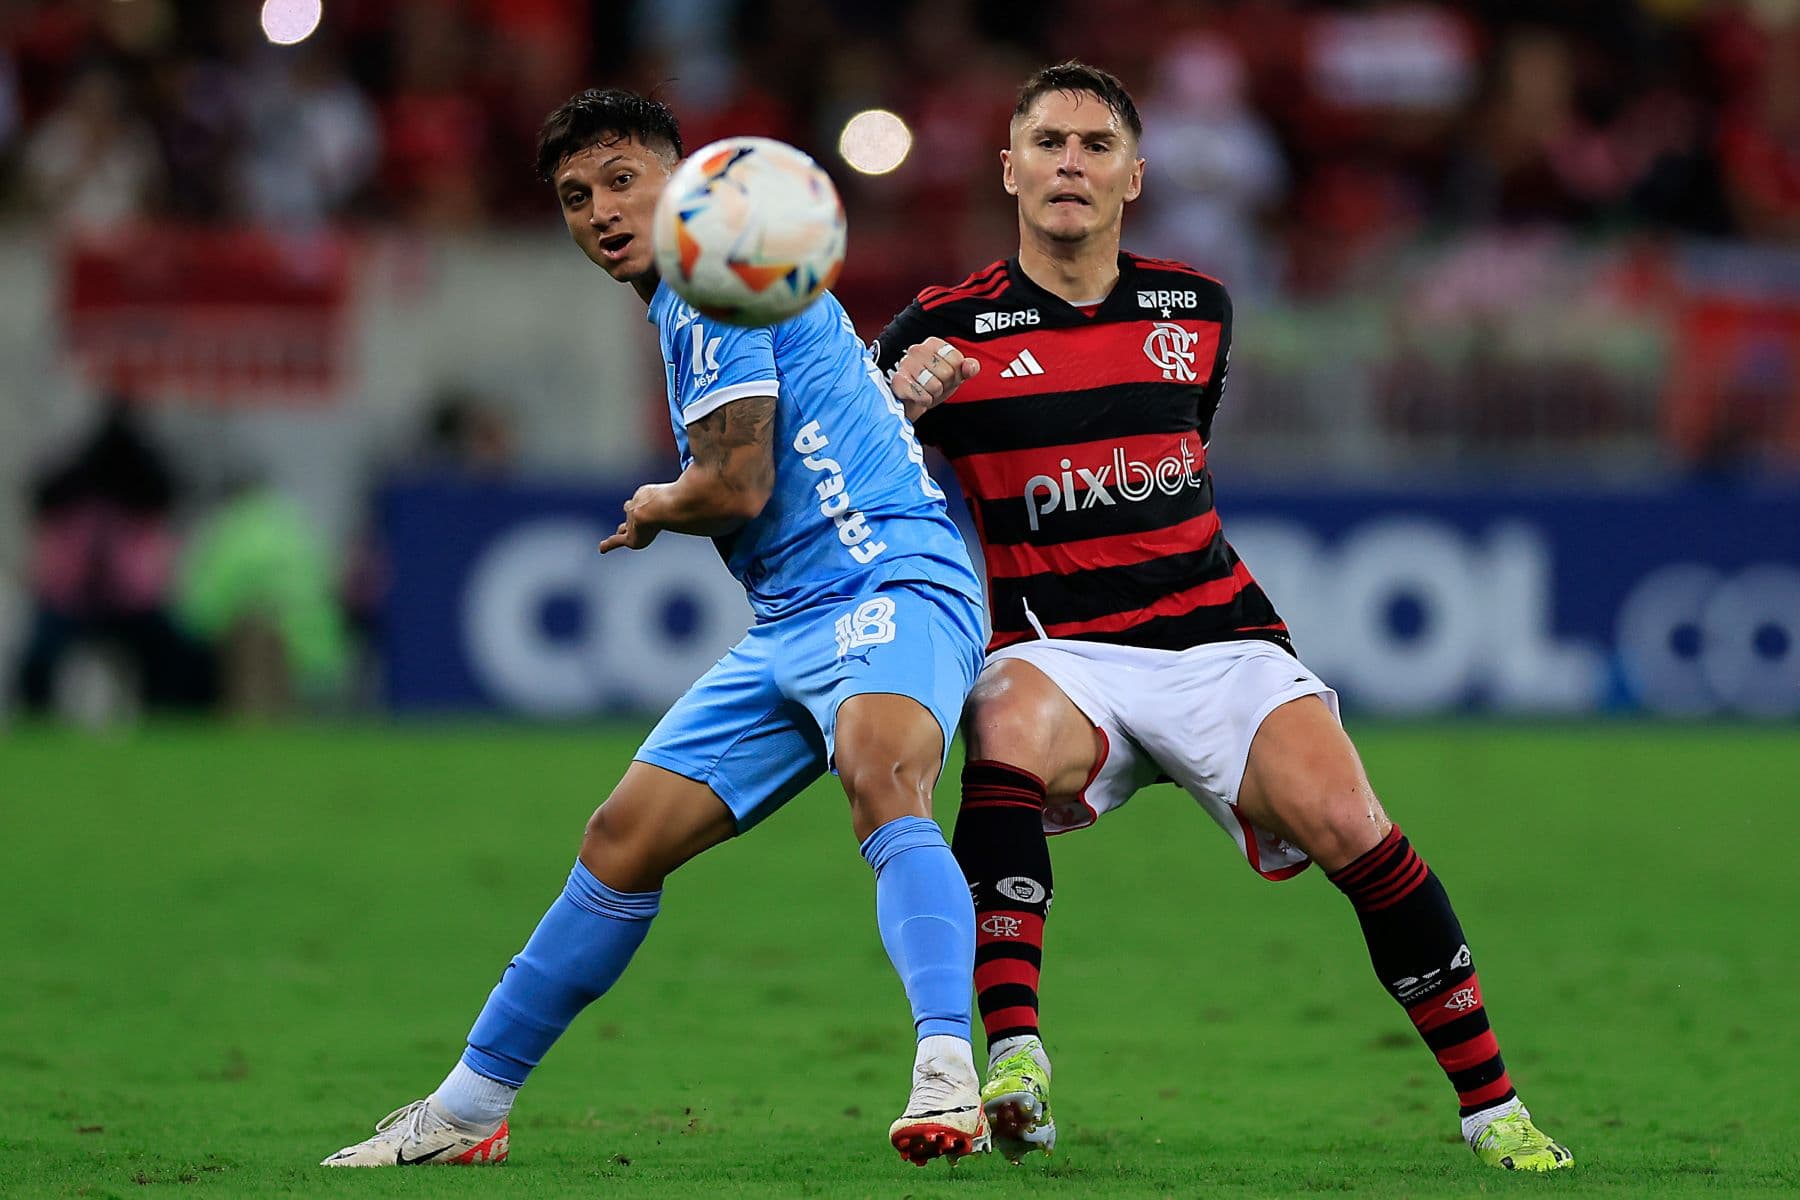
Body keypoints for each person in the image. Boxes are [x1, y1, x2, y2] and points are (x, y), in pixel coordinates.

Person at [874, 62, 1574, 1174]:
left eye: (1096, 146)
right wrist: (897, 407)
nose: (1070, 164)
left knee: (1356, 828)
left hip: (1219, 641)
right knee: (1000, 723)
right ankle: (1016, 1057)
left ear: (1135, 176)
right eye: (1048, 142)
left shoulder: (1194, 308)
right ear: (1007, 169)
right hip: (1063, 651)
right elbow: (849, 486)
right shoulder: (942, 329)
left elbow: (1180, 436)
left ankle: (1495, 1112)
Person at [323, 89, 991, 1169]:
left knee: (882, 776)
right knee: (620, 841)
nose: (600, 212)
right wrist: (893, 401)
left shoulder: (706, 285)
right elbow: (823, 422)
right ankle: (466, 1110)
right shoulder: (727, 280)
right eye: (576, 197)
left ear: (688, 182)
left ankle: (947, 1071)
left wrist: (654, 504)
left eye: (623, 179)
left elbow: (733, 484)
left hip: (893, 582)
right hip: (791, 620)